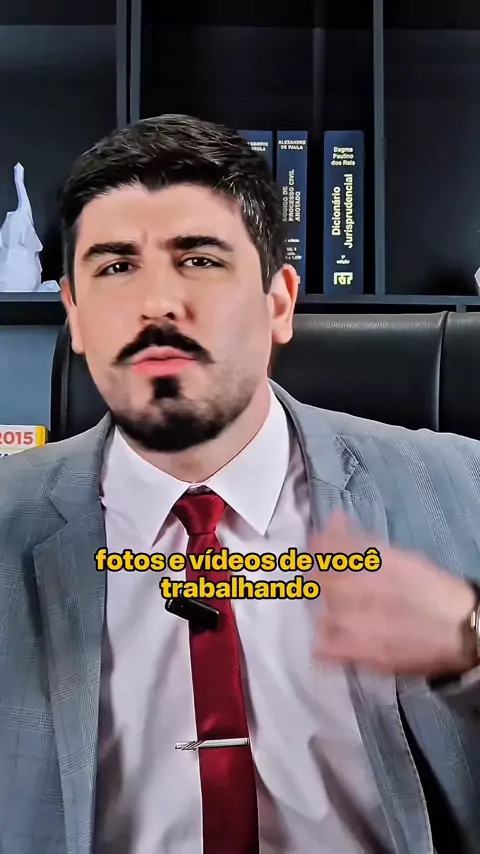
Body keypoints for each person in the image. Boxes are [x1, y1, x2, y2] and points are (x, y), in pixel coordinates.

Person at [1, 114, 480, 854]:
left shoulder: (463, 488)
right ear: (76, 316)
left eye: (199, 259)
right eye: (116, 267)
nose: (157, 304)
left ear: (279, 302)